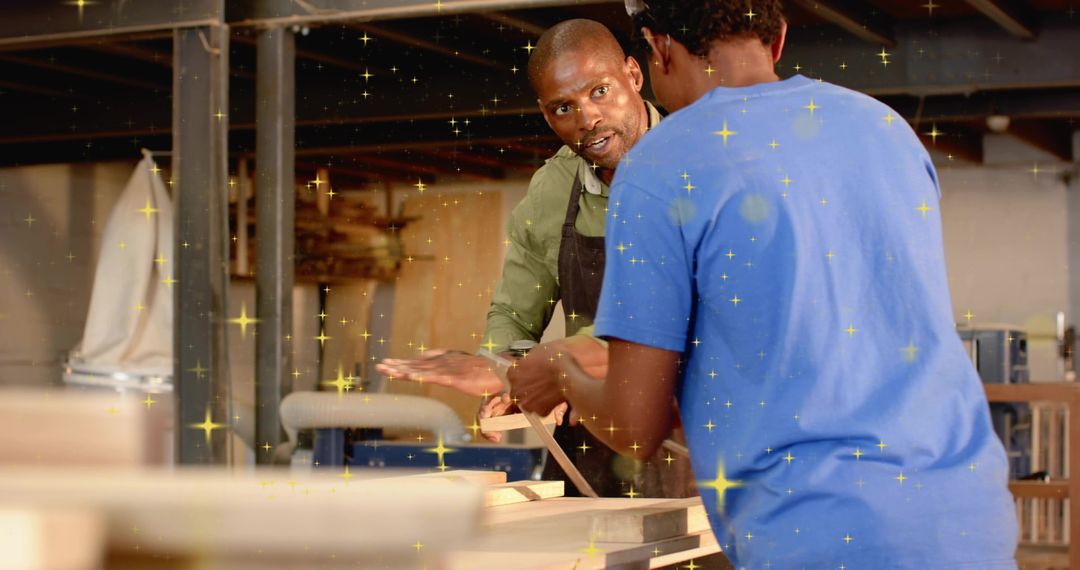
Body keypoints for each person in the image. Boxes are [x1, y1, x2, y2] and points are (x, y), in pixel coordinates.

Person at [509, 0, 1019, 567]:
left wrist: (560, 372)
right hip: (969, 515)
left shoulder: (660, 166)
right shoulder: (885, 129)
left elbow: (634, 425)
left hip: (821, 531)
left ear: (655, 50)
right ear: (777, 40)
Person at [377, 19, 690, 499]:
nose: (587, 119)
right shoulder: (553, 188)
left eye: (600, 91)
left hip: (698, 452)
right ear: (547, 116)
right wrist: (508, 375)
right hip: (590, 453)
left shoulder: (702, 165)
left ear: (634, 74)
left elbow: (685, 318)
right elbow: (513, 316)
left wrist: (557, 369)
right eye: (564, 107)